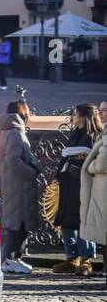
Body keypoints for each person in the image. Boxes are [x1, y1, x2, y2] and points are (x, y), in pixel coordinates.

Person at [52, 103, 100, 276]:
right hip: (69, 182)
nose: (73, 117)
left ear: (83, 116)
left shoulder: (95, 135)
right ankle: (71, 257)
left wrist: (85, 157)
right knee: (67, 219)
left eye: (75, 114)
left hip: (84, 184)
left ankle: (86, 259)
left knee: (83, 220)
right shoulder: (75, 134)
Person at [0, 101, 39, 275]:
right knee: (18, 224)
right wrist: (32, 172)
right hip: (19, 185)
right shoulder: (14, 132)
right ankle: (9, 259)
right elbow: (14, 160)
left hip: (14, 185)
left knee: (19, 223)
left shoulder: (8, 130)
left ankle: (14, 258)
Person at [80, 118, 107, 287]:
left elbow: (102, 163)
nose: (101, 113)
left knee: (104, 229)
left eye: (105, 110)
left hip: (102, 189)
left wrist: (89, 165)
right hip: (101, 189)